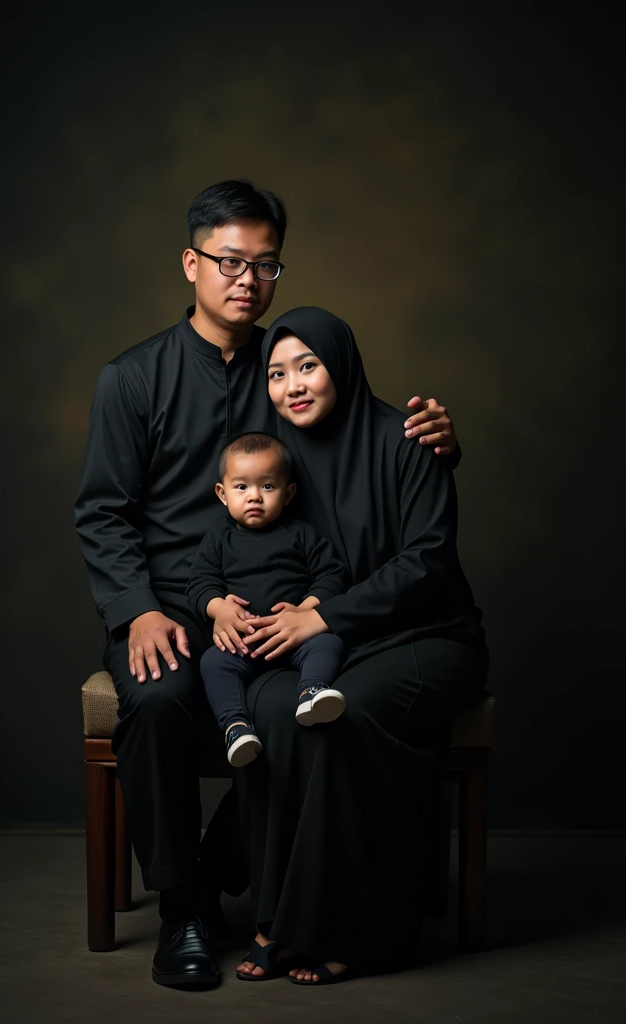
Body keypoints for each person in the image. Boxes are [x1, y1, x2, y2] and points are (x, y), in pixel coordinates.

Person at [74, 179, 463, 990]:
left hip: (279, 601)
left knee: (301, 711)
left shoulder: (287, 363)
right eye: (229, 261)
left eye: (266, 265)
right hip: (171, 608)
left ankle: (245, 876)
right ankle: (185, 907)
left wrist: (431, 440)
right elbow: (104, 515)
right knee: (156, 698)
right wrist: (139, 610)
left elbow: (361, 436)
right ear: (191, 264)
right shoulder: (132, 379)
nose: (247, 280)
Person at [233, 307, 488, 986]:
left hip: (429, 636)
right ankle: (282, 924)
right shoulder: (274, 462)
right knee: (276, 706)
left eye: (308, 366)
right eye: (277, 372)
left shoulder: (406, 439)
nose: (293, 385)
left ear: (340, 364)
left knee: (347, 714)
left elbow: (428, 560)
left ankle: (366, 933)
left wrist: (324, 617)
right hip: (329, 644)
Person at [187, 432, 347, 768]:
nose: (254, 497)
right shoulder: (219, 539)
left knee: (329, 643)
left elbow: (332, 575)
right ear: (222, 493)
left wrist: (305, 611)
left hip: (295, 639)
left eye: (268, 487)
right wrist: (220, 609)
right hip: (243, 644)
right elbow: (200, 584)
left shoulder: (300, 534)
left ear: (288, 493)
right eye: (241, 487)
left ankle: (312, 692)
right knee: (212, 663)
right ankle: (235, 727)